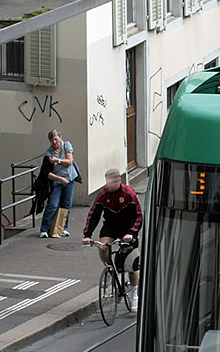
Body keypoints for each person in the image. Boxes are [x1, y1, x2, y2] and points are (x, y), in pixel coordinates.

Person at [81, 168, 144, 310]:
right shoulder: (103, 195)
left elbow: (138, 215)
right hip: (110, 226)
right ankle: (109, 270)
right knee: (102, 247)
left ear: (119, 181)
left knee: (131, 264)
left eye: (113, 182)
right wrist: (87, 235)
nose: (110, 185)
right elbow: (93, 215)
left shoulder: (129, 194)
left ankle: (134, 295)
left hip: (128, 228)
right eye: (108, 182)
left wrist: (131, 233)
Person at [39, 129, 78, 238]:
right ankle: (44, 229)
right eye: (52, 140)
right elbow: (47, 173)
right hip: (57, 182)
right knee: (53, 205)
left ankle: (63, 228)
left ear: (60, 138)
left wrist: (57, 160)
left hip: (69, 179)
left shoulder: (66, 146)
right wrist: (60, 179)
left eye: (56, 139)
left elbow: (69, 161)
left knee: (66, 205)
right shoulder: (48, 154)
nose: (54, 142)